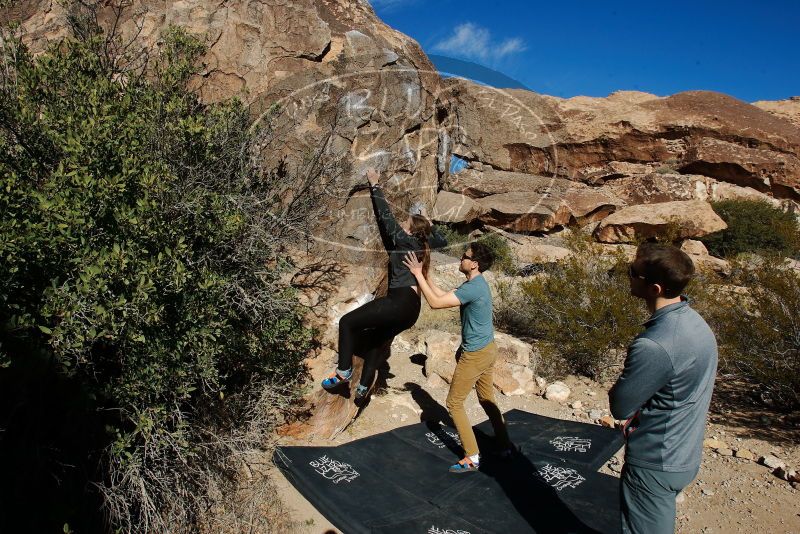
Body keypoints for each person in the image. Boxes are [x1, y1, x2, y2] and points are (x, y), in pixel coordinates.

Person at [609, 242, 718, 534]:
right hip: (685, 451)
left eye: (633, 272)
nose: (628, 275)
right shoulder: (696, 323)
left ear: (654, 288)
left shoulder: (654, 344)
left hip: (656, 459)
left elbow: (620, 406)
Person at [321, 167, 446, 400]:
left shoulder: (405, 240)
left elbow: (385, 218)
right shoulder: (423, 245)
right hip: (411, 311)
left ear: (409, 229)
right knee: (376, 342)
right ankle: (362, 388)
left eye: (405, 221)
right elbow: (442, 240)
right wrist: (430, 224)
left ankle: (343, 373)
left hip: (398, 302)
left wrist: (374, 185)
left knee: (348, 322)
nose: (401, 222)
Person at [403, 242, 512, 473]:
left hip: (476, 354)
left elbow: (434, 303)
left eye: (465, 256)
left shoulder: (474, 287)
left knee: (453, 403)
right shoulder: (475, 283)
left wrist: (416, 274)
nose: (461, 258)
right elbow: (442, 295)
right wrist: (424, 275)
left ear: (474, 264)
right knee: (486, 398)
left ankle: (472, 457)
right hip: (487, 349)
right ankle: (504, 445)